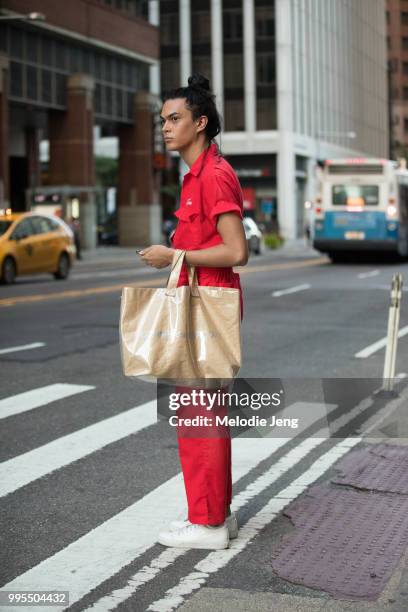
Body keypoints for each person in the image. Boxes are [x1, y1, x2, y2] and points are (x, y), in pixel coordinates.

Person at [137, 73, 248, 550]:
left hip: (207, 303)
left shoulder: (215, 176)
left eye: (175, 118)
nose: (165, 127)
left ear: (200, 123)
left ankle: (206, 524)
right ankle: (215, 516)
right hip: (198, 302)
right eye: (163, 120)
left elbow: (236, 251)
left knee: (198, 415)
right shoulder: (194, 176)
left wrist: (173, 256)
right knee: (203, 414)